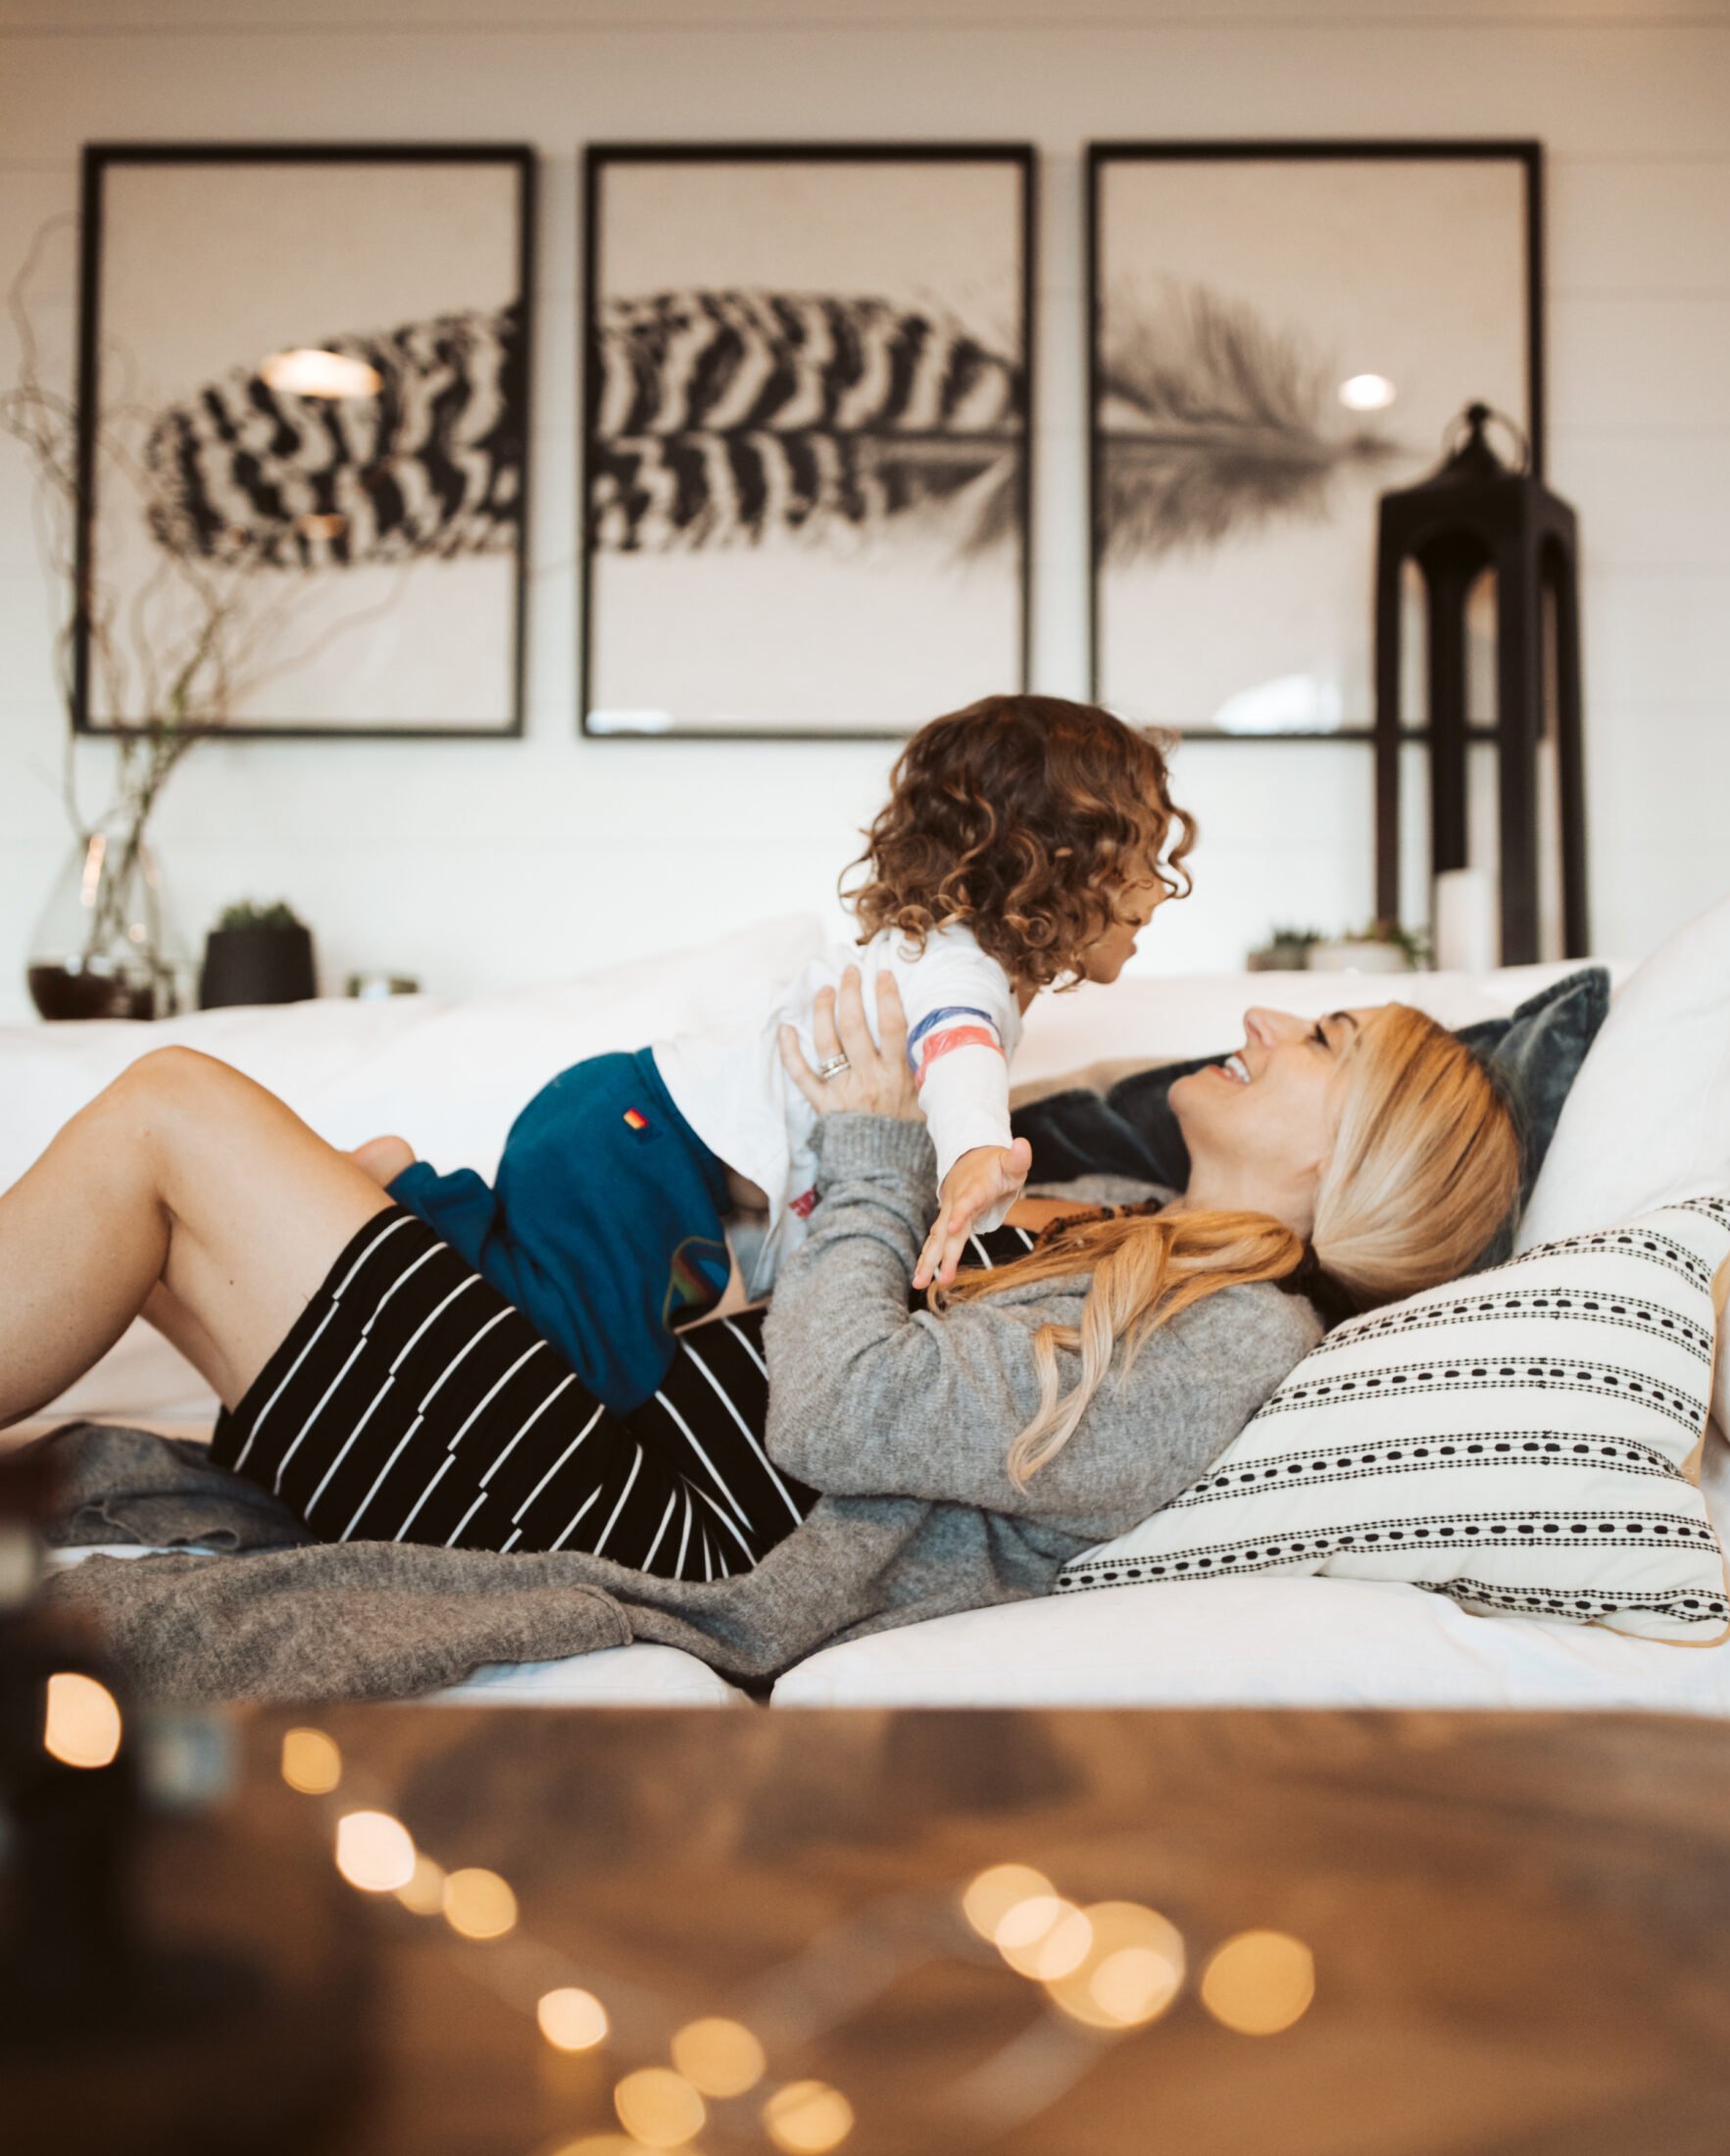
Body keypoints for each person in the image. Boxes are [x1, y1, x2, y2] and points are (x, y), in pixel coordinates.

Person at [0, 972, 1522, 1677]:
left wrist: (874, 1141)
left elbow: (835, 1417)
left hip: (623, 1517)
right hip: (603, 1435)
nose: (1266, 1017)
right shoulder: (1118, 1204)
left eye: (1323, 1038)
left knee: (173, 1115)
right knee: (290, 1187)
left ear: (1354, 1163)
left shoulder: (1230, 1339)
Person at [351, 695, 1195, 1422]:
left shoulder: (946, 959)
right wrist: (977, 1149)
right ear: (1050, 865)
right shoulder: (961, 969)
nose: (1163, 890)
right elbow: (955, 1045)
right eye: (1142, 860)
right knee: (586, 1369)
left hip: (633, 1140)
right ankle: (405, 1199)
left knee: (587, 1343)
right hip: (641, 1146)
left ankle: (422, 1208)